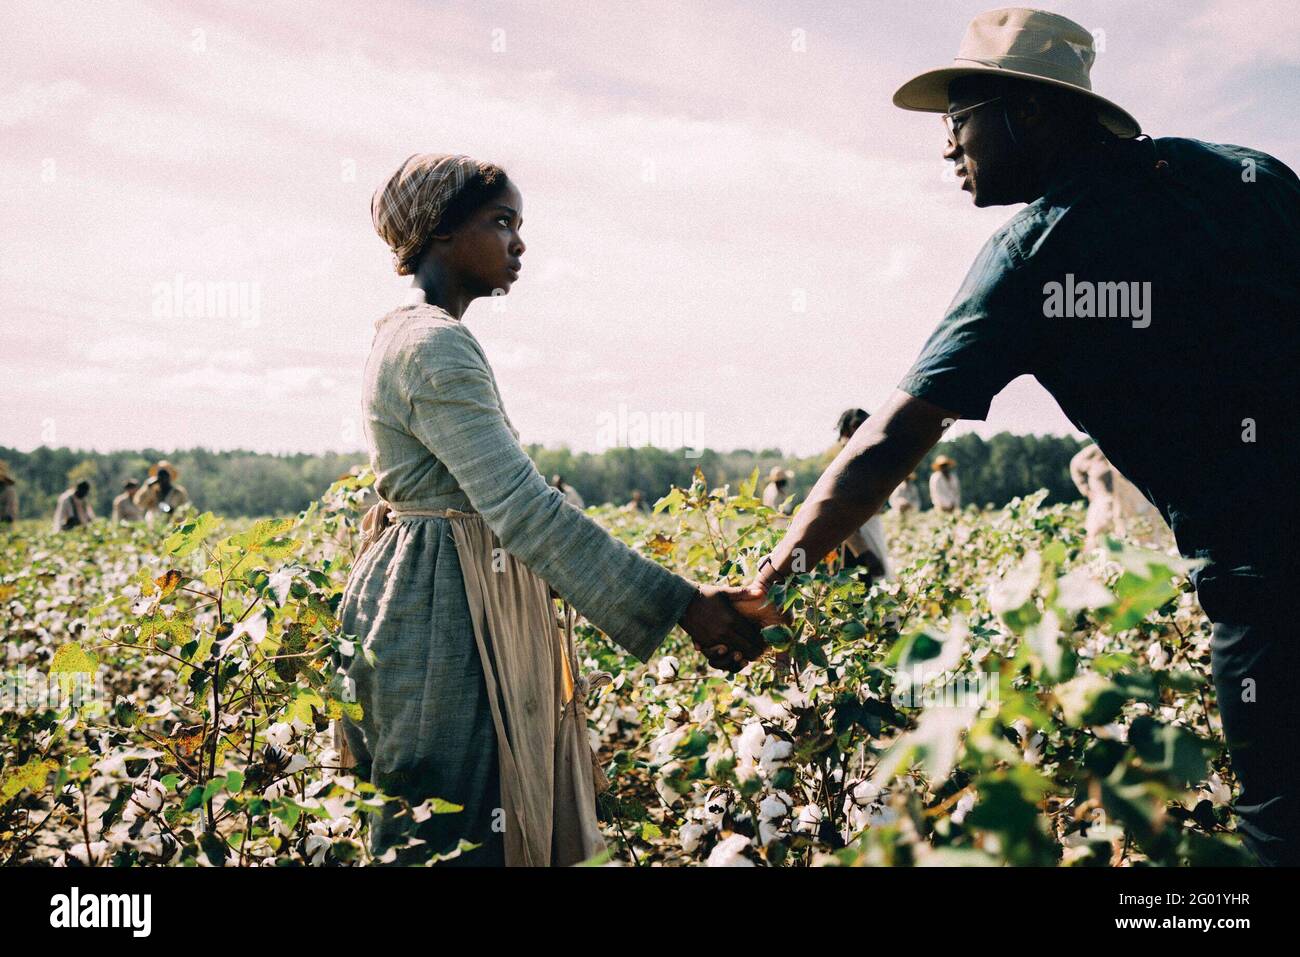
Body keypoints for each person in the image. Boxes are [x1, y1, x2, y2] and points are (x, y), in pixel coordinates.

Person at [738, 8, 1300, 865]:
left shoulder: (1032, 256)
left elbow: (893, 440)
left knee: (1278, 832)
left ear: (1028, 111)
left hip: (1265, 579)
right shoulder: (1247, 177)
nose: (946, 148)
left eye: (958, 120)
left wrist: (780, 567)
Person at [340, 153, 765, 868]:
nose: (519, 243)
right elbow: (525, 511)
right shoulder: (433, 345)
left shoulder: (410, 335)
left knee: (460, 823)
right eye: (501, 222)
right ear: (441, 232)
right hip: (447, 612)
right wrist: (686, 605)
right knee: (461, 831)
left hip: (444, 592)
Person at [827, 409, 890, 581]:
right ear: (847, 431)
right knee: (856, 593)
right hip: (853, 543)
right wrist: (865, 552)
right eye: (857, 425)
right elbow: (839, 515)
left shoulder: (866, 459)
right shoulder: (845, 463)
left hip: (871, 532)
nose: (862, 428)